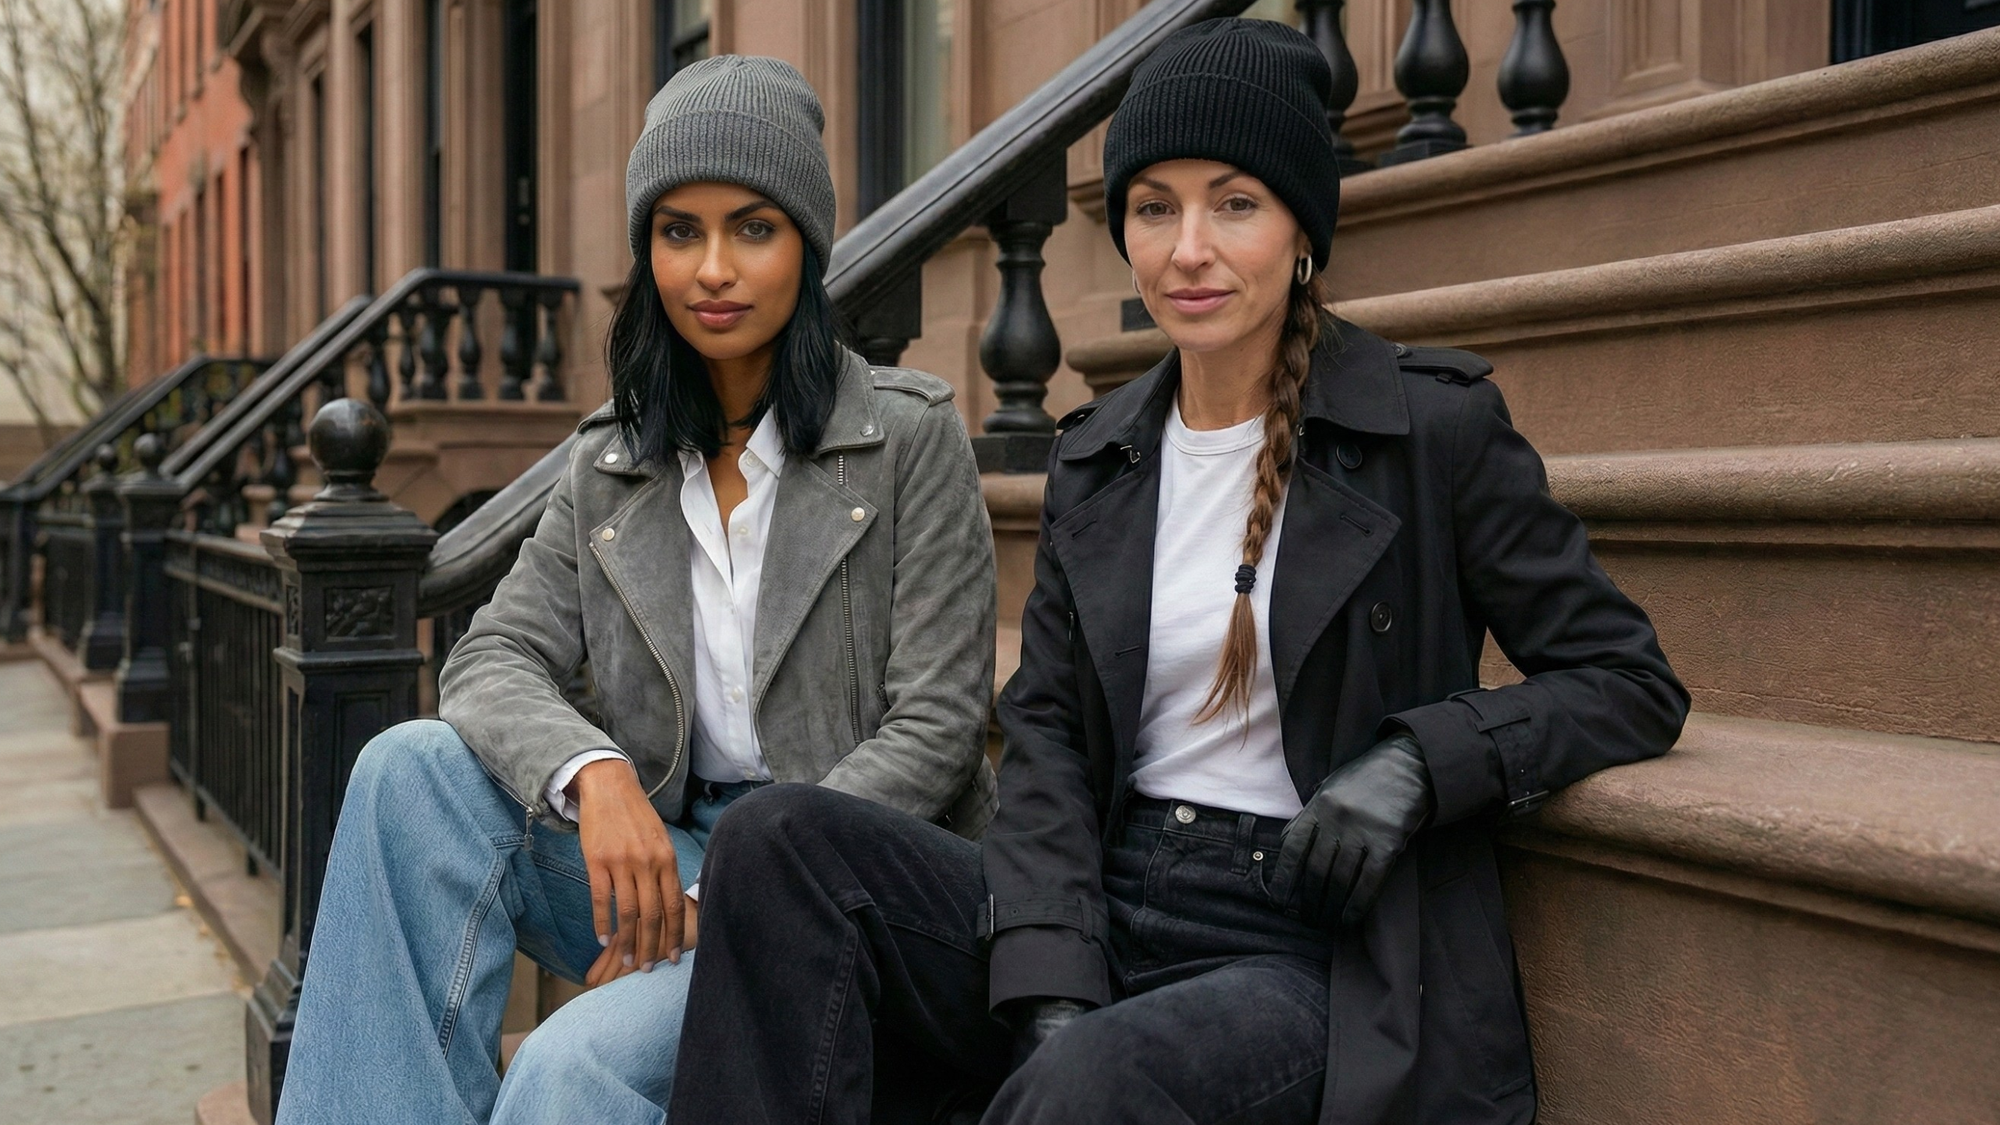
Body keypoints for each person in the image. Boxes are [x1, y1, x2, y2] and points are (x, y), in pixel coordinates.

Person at [666, 19, 1689, 1125]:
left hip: (1303, 946)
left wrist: (1419, 761)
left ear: (1302, 229)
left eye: (1233, 203)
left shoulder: (1426, 431)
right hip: (1107, 895)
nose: (1186, 248)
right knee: (779, 843)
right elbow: (1049, 738)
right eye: (1153, 207)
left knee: (1090, 1083)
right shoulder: (1101, 457)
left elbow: (1625, 680)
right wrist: (1051, 979)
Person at [274, 55, 998, 1125]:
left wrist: (725, 897)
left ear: (806, 243)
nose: (712, 268)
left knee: (565, 1075)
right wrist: (595, 773)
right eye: (677, 231)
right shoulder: (612, 462)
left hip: (828, 893)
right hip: (661, 857)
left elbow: (936, 727)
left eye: (752, 228)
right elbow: (491, 655)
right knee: (408, 768)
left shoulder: (906, 439)